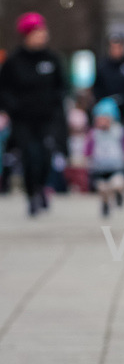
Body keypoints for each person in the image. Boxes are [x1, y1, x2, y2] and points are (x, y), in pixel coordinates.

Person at [0, 12, 67, 216]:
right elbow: (4, 89)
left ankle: (42, 187)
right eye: (37, 32)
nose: (42, 35)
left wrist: (56, 105)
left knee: (46, 156)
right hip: (23, 119)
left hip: (47, 118)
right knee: (30, 155)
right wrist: (13, 107)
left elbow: (61, 87)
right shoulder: (14, 61)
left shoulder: (53, 59)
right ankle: (32, 194)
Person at [93, 34, 124, 185]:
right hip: (107, 113)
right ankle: (105, 174)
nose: (116, 50)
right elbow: (97, 91)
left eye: (119, 47)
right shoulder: (103, 67)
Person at [86, 97, 124, 218]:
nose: (102, 121)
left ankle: (119, 194)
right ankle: (105, 204)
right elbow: (89, 148)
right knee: (103, 189)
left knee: (118, 184)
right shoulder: (94, 134)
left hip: (116, 166)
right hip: (99, 167)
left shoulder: (119, 131)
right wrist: (87, 157)